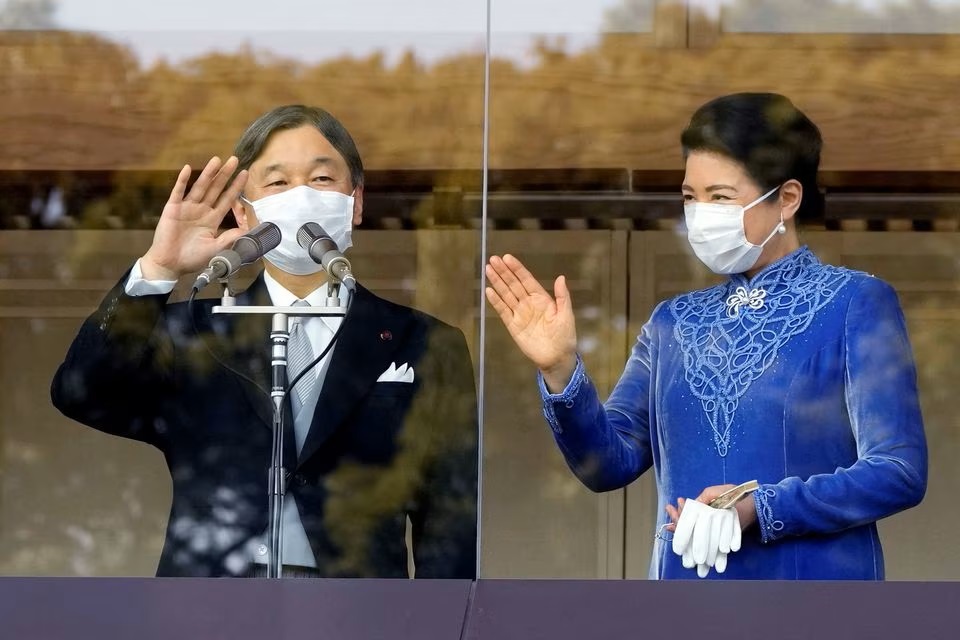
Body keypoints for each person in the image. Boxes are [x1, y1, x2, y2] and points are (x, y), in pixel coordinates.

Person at [485, 92, 927, 580]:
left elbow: (897, 471)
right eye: (689, 197)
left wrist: (761, 507)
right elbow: (606, 466)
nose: (699, 214)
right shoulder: (672, 322)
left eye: (720, 197)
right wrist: (560, 370)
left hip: (813, 605)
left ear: (787, 198)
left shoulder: (854, 302)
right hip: (684, 607)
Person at [51, 105, 478, 579]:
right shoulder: (192, 331)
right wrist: (159, 270)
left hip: (362, 612)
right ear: (242, 211)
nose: (299, 196)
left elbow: (450, 519)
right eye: (276, 183)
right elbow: (80, 393)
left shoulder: (423, 342)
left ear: (356, 201)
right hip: (210, 607)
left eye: (320, 179)